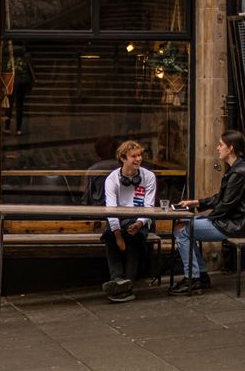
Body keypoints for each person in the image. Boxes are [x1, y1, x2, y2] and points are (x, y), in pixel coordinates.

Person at [170, 129, 245, 294]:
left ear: (230, 148)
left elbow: (226, 204)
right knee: (183, 226)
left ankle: (195, 278)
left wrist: (207, 218)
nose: (218, 148)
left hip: (234, 225)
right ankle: (200, 276)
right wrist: (195, 202)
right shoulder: (236, 169)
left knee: (182, 229)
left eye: (220, 145)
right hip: (229, 221)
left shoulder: (239, 172)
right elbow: (221, 198)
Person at [101, 140, 157, 303]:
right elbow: (111, 210)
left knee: (134, 239)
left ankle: (125, 284)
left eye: (139, 155)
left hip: (141, 219)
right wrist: (118, 236)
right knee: (110, 237)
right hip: (119, 219)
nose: (138, 159)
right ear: (123, 158)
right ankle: (119, 280)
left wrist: (139, 223)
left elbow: (149, 206)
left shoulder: (148, 176)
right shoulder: (112, 179)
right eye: (134, 156)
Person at [4, 45, 35, 135]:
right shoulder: (27, 57)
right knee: (20, 106)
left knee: (9, 105)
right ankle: (18, 128)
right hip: (22, 83)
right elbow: (31, 71)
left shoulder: (10, 56)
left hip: (11, 82)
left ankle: (7, 126)